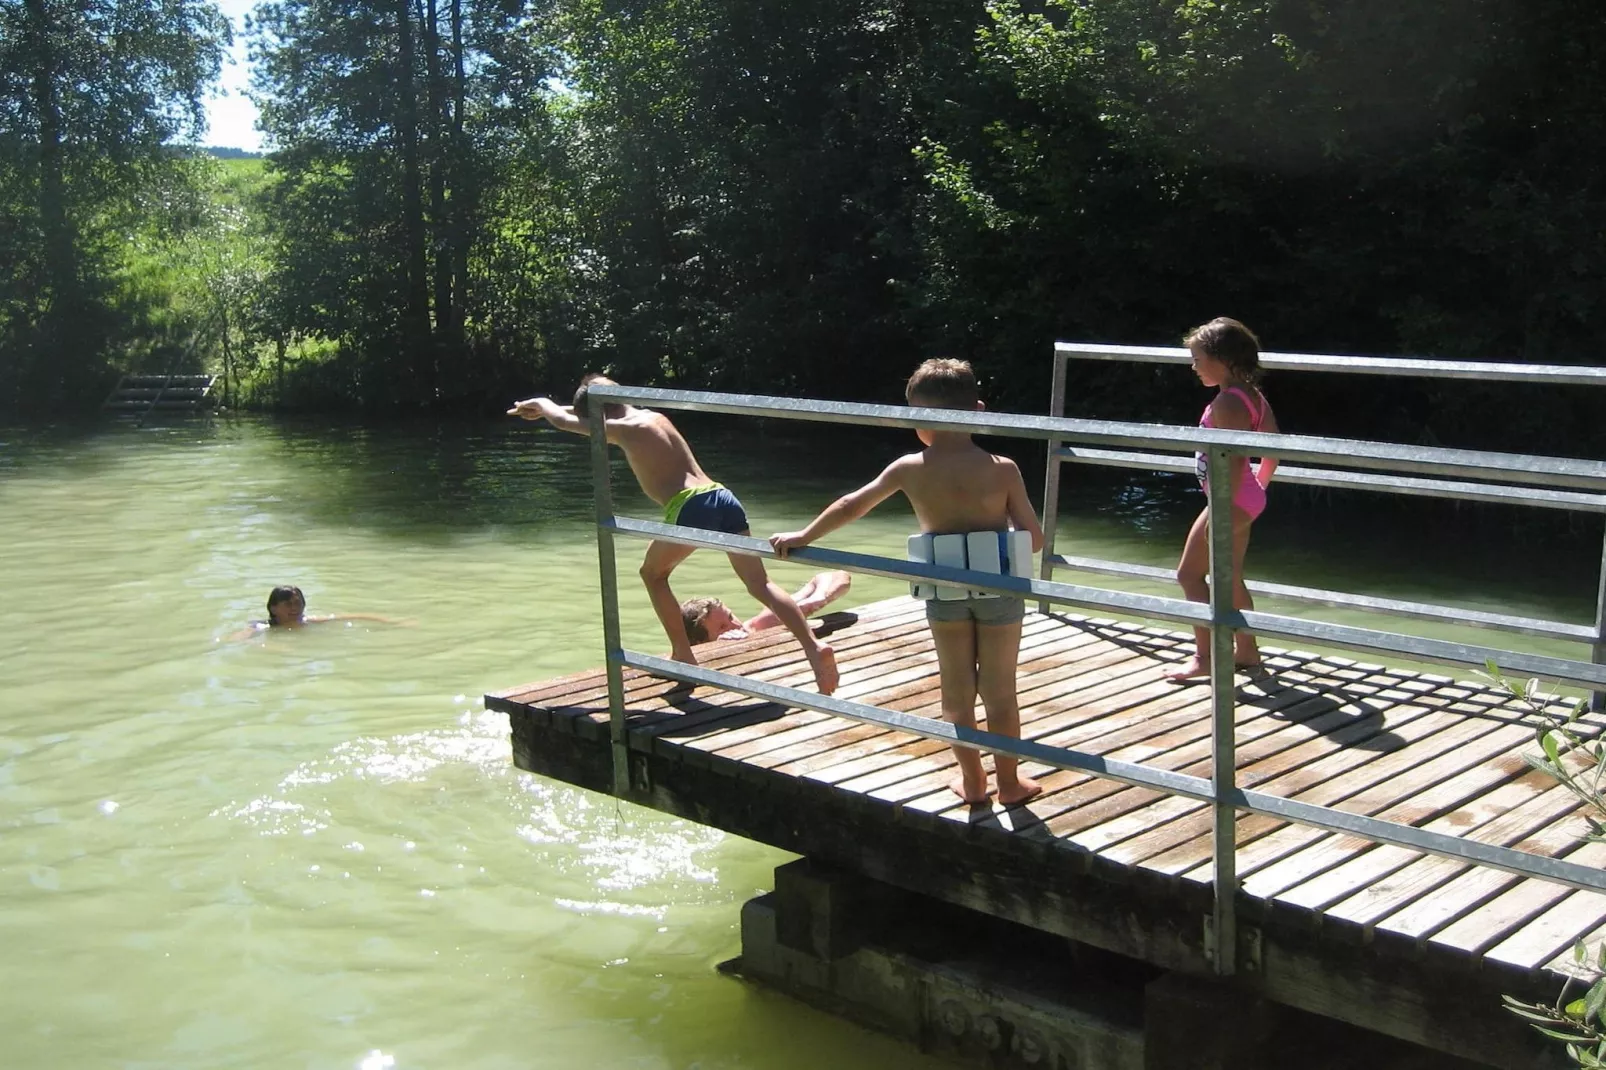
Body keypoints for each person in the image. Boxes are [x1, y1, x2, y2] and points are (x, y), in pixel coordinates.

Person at [770, 358, 1044, 806]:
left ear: (917, 421)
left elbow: (850, 504)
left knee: (956, 688)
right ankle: (1009, 784)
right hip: (998, 590)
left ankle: (973, 782)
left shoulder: (908, 468)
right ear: (979, 410)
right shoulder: (1004, 468)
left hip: (944, 590)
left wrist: (803, 537)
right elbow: (1032, 540)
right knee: (999, 690)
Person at [509, 375, 839, 694]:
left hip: (691, 505)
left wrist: (542, 402)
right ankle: (813, 647)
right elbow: (584, 414)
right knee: (759, 583)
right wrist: (551, 409)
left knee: (652, 574)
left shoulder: (625, 430)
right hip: (722, 496)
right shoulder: (653, 418)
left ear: (598, 415)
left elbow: (567, 423)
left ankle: (683, 654)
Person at [1167, 317, 1280, 682]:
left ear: (1224, 359)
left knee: (1189, 574)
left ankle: (1206, 656)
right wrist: (1257, 489)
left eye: (1198, 358)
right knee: (1227, 580)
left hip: (1228, 501)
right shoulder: (1251, 395)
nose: (1194, 366)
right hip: (1241, 498)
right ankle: (1246, 652)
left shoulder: (1228, 403)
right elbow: (1274, 448)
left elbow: (1230, 463)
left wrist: (1224, 513)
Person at [681, 570, 853, 644]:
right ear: (700, 643)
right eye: (722, 627)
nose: (736, 626)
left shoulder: (759, 626)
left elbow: (839, 577)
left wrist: (819, 598)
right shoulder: (691, 658)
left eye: (731, 617)